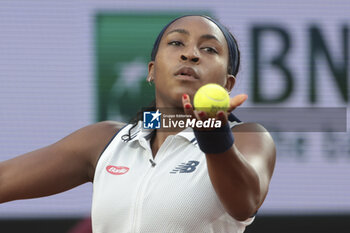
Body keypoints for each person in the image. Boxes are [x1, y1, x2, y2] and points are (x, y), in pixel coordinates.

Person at [0, 15, 276, 233]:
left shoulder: (248, 137)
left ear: (226, 85)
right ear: (152, 71)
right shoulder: (104, 140)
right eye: (177, 43)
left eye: (208, 49)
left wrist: (213, 135)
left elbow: (245, 204)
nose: (190, 54)